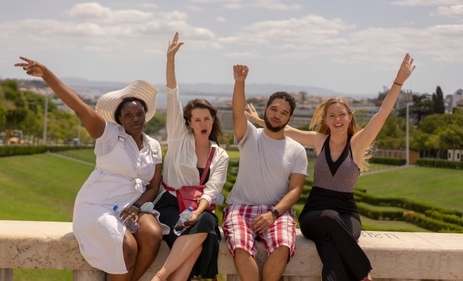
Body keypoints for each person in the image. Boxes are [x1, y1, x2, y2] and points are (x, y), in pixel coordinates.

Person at [245, 53, 416, 281]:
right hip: (316, 213)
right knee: (329, 219)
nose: (337, 119)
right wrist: (259, 121)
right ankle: (363, 274)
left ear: (349, 118)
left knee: (331, 246)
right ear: (325, 120)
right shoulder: (319, 141)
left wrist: (398, 82)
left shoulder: (357, 144)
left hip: (347, 213)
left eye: (341, 115)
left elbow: (382, 114)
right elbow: (284, 130)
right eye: (332, 115)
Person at [15, 57, 168, 281]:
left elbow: (154, 185)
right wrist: (47, 74)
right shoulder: (109, 134)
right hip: (99, 205)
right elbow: (78, 105)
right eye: (128, 115)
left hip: (131, 207)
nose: (135, 118)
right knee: (127, 248)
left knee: (153, 236)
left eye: (139, 113)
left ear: (146, 115)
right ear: (119, 119)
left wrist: (136, 206)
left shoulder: (153, 146)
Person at [151, 32, 229, 281]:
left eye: (207, 118)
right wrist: (170, 59)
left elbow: (212, 189)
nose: (203, 123)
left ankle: (160, 277)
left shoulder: (220, 154)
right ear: (189, 122)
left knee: (205, 220)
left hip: (196, 208)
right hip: (169, 204)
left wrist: (195, 213)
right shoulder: (177, 137)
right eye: (197, 119)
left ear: (213, 120)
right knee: (195, 245)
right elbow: (172, 94)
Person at [223, 64, 308, 281]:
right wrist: (239, 82)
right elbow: (237, 114)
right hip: (241, 207)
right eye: (274, 109)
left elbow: (296, 190)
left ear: (289, 119)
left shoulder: (297, 150)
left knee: (284, 246)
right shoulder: (250, 136)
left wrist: (274, 214)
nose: (277, 115)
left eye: (283, 113)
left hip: (276, 212)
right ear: (266, 109)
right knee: (240, 246)